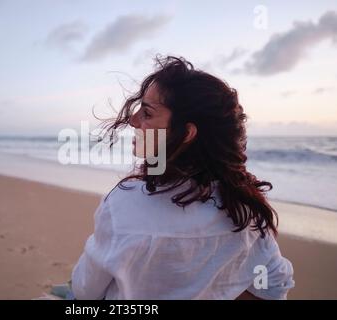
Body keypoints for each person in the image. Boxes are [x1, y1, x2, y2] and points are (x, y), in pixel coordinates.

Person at [71, 56, 294, 300]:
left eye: (147, 113)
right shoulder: (244, 210)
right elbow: (273, 289)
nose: (133, 120)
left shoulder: (123, 205)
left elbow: (85, 291)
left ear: (186, 133)